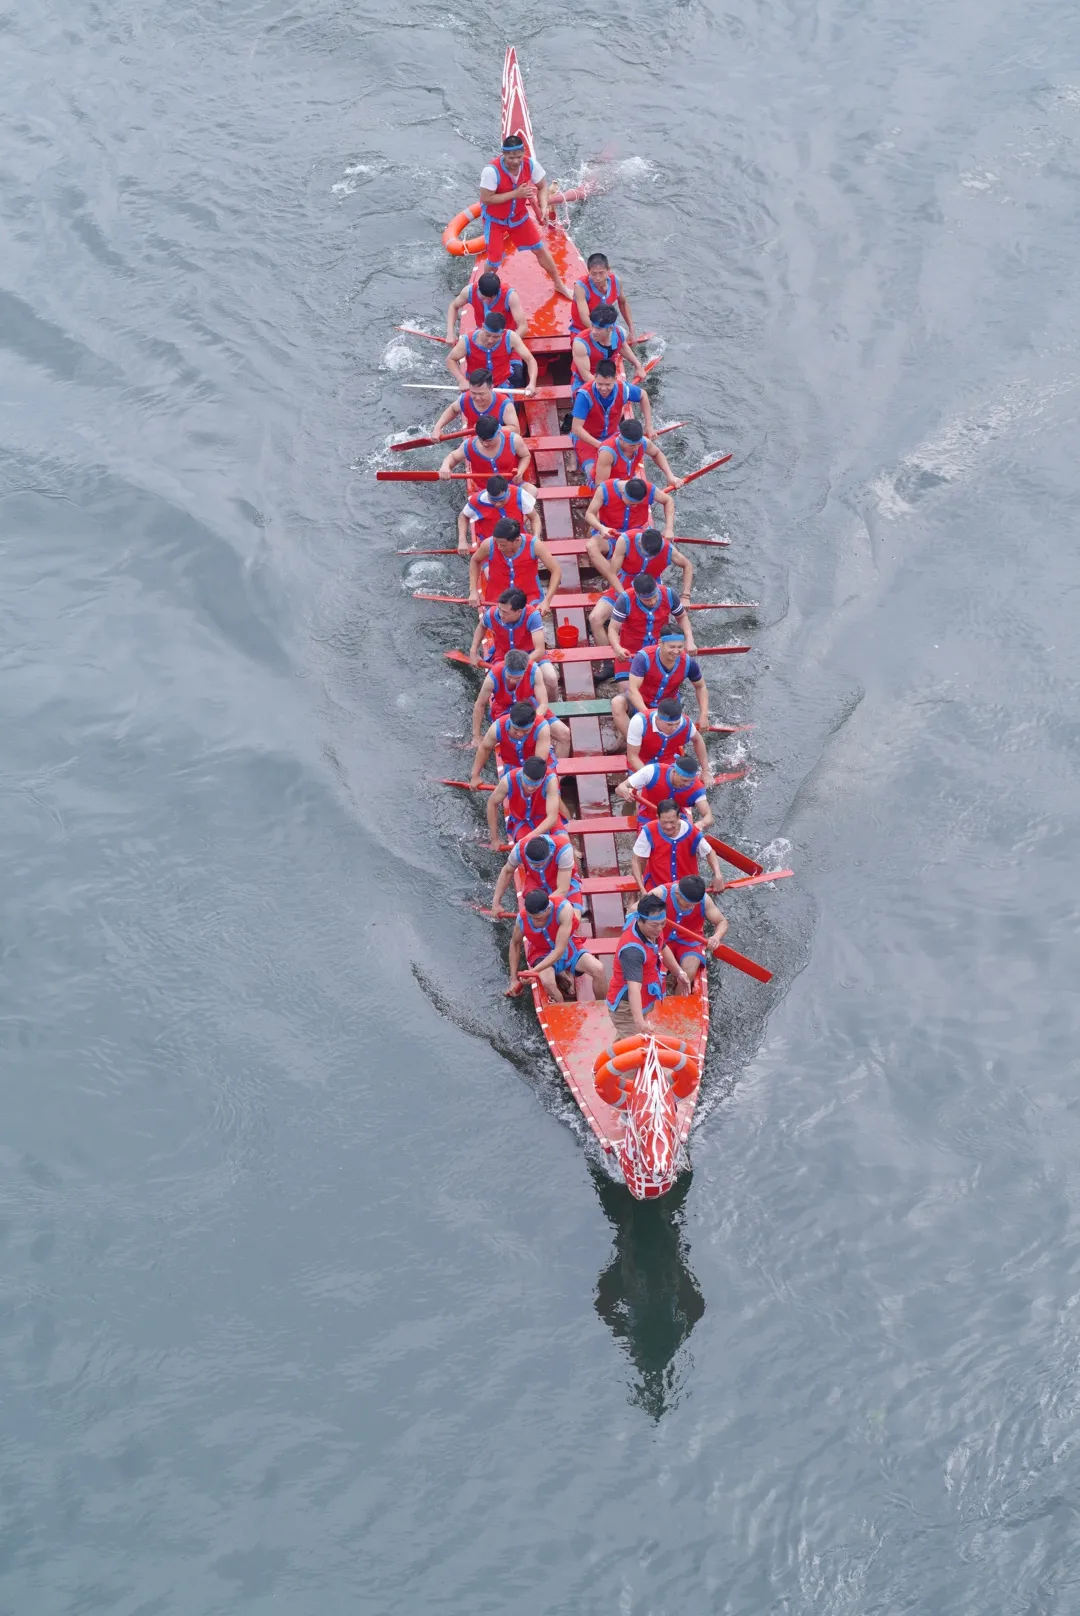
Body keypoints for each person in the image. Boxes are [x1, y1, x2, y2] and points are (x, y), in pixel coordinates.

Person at [478, 133, 573, 297]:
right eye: (511, 157)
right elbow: (486, 199)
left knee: (540, 249)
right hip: (495, 220)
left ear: (523, 153)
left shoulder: (531, 164)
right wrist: (516, 194)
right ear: (504, 154)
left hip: (519, 217)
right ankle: (484, 291)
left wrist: (543, 206)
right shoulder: (491, 171)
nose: (515, 161)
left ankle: (559, 285)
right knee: (494, 260)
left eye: (519, 157)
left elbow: (542, 187)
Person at [587, 534, 695, 662]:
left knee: (648, 625)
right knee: (594, 619)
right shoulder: (625, 541)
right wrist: (624, 596)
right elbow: (612, 573)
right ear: (639, 544)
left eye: (653, 555)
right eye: (647, 554)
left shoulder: (667, 549)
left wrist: (685, 596)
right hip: (621, 589)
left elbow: (687, 565)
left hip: (650, 594)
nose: (649, 558)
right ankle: (610, 662)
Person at [605, 893, 690, 1038]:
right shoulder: (632, 951)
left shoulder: (654, 930)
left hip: (644, 1001)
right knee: (637, 1047)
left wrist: (678, 972)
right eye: (654, 925)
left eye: (663, 923)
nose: (659, 929)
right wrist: (639, 1023)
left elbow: (662, 947)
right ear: (640, 920)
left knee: (627, 1042)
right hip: (626, 1009)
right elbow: (634, 989)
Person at [507, 889, 606, 1003]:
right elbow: (514, 944)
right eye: (531, 918)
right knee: (548, 983)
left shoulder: (564, 909)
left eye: (539, 918)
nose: (535, 922)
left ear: (548, 909)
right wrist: (513, 979)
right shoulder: (521, 919)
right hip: (541, 953)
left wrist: (532, 972)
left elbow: (559, 950)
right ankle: (562, 1009)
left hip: (568, 947)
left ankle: (603, 1008)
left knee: (599, 969)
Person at [610, 631, 708, 737]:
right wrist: (649, 716)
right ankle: (631, 739)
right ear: (660, 643)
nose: (676, 651)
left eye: (680, 647)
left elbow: (701, 687)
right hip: (641, 701)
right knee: (617, 703)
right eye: (672, 647)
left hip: (667, 706)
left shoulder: (689, 663)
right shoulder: (643, 657)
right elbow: (633, 689)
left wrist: (703, 715)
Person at [468, 587, 559, 699]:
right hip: (503, 656)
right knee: (505, 683)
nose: (500, 614)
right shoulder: (492, 613)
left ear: (519, 612)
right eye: (499, 609)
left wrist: (517, 667)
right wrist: (473, 650)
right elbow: (482, 626)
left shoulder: (532, 616)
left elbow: (539, 651)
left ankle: (551, 709)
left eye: (505, 612)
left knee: (551, 678)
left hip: (530, 655)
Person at [651, 874, 729, 990]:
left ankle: (678, 1003)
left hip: (691, 941)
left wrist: (716, 937)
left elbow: (722, 922)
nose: (690, 908)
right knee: (657, 974)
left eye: (694, 905)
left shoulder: (705, 900)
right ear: (677, 894)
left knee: (687, 974)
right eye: (687, 905)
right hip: (661, 938)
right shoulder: (660, 893)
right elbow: (634, 910)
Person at [468, 517, 562, 612]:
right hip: (497, 600)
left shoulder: (534, 545)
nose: (499, 548)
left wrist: (547, 601)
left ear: (516, 540)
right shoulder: (488, 544)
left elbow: (556, 571)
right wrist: (473, 591)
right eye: (497, 543)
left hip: (529, 599)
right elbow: (475, 560)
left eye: (504, 545)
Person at [631, 800, 725, 893]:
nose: (668, 826)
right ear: (657, 818)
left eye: (672, 822)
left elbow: (709, 852)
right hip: (658, 887)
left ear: (679, 817)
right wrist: (642, 889)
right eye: (664, 822)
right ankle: (634, 895)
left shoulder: (692, 831)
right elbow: (636, 860)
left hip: (687, 889)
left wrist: (718, 875)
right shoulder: (648, 831)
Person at [608, 575, 697, 671]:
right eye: (647, 600)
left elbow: (682, 617)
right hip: (631, 651)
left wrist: (690, 641)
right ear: (637, 595)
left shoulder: (669, 594)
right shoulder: (625, 599)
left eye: (655, 597)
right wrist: (618, 648)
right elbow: (613, 628)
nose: (652, 602)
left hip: (660, 650)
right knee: (627, 686)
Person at [571, 360, 653, 461]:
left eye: (608, 385)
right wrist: (602, 446)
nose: (603, 389)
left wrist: (648, 425)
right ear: (595, 376)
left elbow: (643, 395)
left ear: (615, 379)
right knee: (593, 473)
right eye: (600, 384)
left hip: (612, 435)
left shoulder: (623, 388)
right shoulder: (584, 395)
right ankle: (575, 453)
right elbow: (576, 428)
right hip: (587, 439)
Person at [491, 831, 583, 917]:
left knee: (573, 918)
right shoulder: (519, 849)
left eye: (540, 864)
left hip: (565, 882)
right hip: (536, 883)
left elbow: (562, 890)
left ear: (549, 854)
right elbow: (507, 872)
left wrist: (541, 908)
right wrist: (496, 903)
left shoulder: (564, 850)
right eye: (534, 864)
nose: (538, 867)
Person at [615, 752, 714, 829]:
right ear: (674, 772)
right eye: (684, 780)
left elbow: (708, 817)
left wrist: (700, 824)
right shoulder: (652, 771)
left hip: (676, 820)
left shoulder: (696, 788)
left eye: (691, 781)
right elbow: (619, 788)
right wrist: (625, 791)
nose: (687, 784)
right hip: (648, 816)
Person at [447, 311, 538, 394]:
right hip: (475, 387)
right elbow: (451, 359)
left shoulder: (511, 337)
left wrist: (532, 383)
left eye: (495, 337)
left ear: (502, 333)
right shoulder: (467, 340)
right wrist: (461, 380)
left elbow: (530, 360)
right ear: (482, 327)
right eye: (487, 335)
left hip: (501, 384)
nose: (490, 340)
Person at [625, 698, 713, 783]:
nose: (674, 728)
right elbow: (632, 757)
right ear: (657, 719)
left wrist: (705, 771)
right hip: (641, 763)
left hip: (669, 764)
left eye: (677, 724)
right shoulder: (639, 722)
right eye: (669, 725)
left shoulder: (685, 723)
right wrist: (650, 776)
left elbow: (698, 740)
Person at [471, 647, 547, 743]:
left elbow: (543, 704)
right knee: (517, 739)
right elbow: (480, 704)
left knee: (563, 733)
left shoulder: (535, 671)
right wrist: (476, 736)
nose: (513, 681)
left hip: (529, 708)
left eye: (518, 678)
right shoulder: (492, 677)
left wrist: (530, 721)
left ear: (525, 670)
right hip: (503, 710)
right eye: (509, 677)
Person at [486, 755, 564, 848]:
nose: (530, 788)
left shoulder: (551, 780)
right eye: (527, 783)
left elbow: (552, 818)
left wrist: (530, 836)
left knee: (564, 842)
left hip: (545, 817)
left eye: (535, 784)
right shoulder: (507, 781)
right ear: (522, 774)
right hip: (522, 821)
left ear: (543, 779)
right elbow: (492, 803)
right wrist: (494, 839)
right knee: (528, 849)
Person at [471, 700, 553, 786]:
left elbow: (538, 762)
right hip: (513, 766)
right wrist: (475, 775)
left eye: (525, 731)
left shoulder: (542, 728)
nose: (520, 734)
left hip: (539, 767)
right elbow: (485, 749)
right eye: (516, 730)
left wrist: (528, 783)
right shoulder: (497, 728)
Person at [585, 417, 680, 490]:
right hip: (606, 486)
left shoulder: (643, 442)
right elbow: (601, 486)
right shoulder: (607, 453)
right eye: (631, 446)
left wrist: (670, 475)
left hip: (628, 481)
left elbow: (657, 454)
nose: (636, 448)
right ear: (621, 439)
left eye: (638, 444)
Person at [457, 474, 539, 557]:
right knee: (488, 570)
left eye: (501, 500)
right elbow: (463, 516)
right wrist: (462, 540)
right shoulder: (477, 500)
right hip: (491, 545)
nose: (497, 504)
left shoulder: (519, 495)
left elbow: (534, 517)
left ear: (509, 492)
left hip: (517, 540)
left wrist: (536, 538)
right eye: (493, 501)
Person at [439, 414, 531, 486]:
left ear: (499, 432)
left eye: (489, 440)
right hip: (484, 490)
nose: (485, 444)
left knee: (532, 491)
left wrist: (520, 471)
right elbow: (453, 457)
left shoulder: (514, 440)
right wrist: (445, 466)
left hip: (512, 484)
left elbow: (526, 456)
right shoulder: (469, 445)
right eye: (481, 440)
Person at [432, 368, 521, 439]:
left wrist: (491, 429)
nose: (477, 398)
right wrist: (438, 428)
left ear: (491, 388)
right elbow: (453, 409)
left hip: (496, 442)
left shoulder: (505, 405)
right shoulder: (465, 398)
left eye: (481, 394)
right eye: (473, 393)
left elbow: (516, 430)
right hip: (474, 442)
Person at [571, 304, 645, 391]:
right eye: (593, 326)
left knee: (641, 394)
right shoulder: (580, 344)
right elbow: (585, 375)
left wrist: (638, 366)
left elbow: (623, 347)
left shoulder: (619, 333)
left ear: (610, 328)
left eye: (598, 328)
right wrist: (609, 388)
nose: (593, 332)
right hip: (585, 382)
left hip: (608, 378)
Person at [585, 475, 675, 544]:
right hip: (610, 533)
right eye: (632, 504)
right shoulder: (604, 489)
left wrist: (669, 528)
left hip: (637, 533)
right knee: (593, 545)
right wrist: (602, 528)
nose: (635, 506)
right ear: (622, 492)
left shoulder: (649, 488)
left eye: (638, 503)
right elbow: (589, 514)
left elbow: (668, 500)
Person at [446, 269, 527, 344]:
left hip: (504, 335)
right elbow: (453, 306)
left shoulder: (510, 296)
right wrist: (450, 333)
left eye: (491, 298)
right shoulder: (469, 291)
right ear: (478, 288)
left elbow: (523, 326)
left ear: (498, 292)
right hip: (483, 333)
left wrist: (508, 344)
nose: (486, 301)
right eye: (483, 297)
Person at [570, 251, 635, 340]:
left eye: (601, 273)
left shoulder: (616, 281)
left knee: (623, 335)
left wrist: (631, 329)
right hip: (583, 330)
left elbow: (623, 303)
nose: (597, 278)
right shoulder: (581, 287)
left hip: (605, 328)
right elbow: (584, 316)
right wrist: (600, 335)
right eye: (593, 274)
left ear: (608, 270)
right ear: (588, 271)